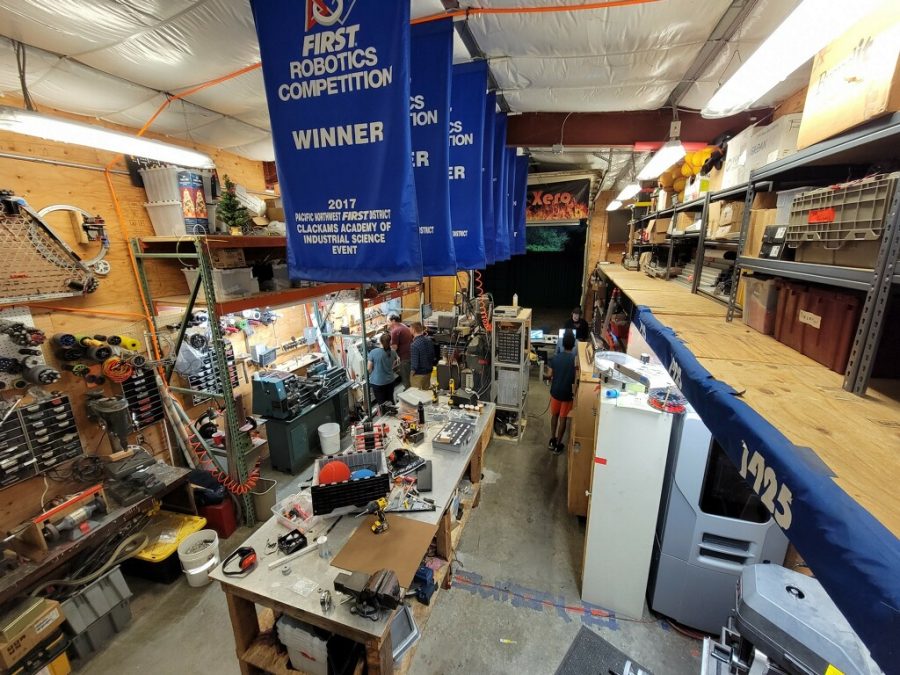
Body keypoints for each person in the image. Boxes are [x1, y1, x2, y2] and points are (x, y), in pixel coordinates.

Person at [546, 330, 578, 454]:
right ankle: (558, 445)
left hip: (555, 392)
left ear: (562, 344)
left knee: (554, 416)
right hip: (567, 395)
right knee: (563, 418)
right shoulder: (574, 362)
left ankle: (552, 439)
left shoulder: (555, 358)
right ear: (573, 345)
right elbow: (576, 379)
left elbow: (549, 375)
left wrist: (546, 375)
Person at [368, 333, 398, 405]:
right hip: (390, 380)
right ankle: (393, 414)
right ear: (390, 342)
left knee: (382, 404)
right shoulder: (393, 352)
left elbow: (369, 368)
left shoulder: (373, 352)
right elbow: (393, 365)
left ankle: (385, 415)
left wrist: (373, 374)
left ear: (380, 341)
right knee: (390, 400)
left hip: (378, 382)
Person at [409, 322, 435, 390]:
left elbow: (415, 364)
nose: (409, 330)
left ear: (414, 330)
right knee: (426, 392)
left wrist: (412, 374)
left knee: (416, 394)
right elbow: (432, 355)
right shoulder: (429, 340)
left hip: (419, 374)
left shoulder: (414, 345)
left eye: (410, 328)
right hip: (428, 372)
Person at [388, 314, 413, 388]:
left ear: (393, 321)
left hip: (404, 357)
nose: (387, 323)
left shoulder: (395, 331)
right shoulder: (403, 326)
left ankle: (408, 392)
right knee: (408, 374)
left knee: (405, 376)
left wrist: (385, 346)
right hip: (410, 354)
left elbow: (394, 348)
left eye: (388, 321)